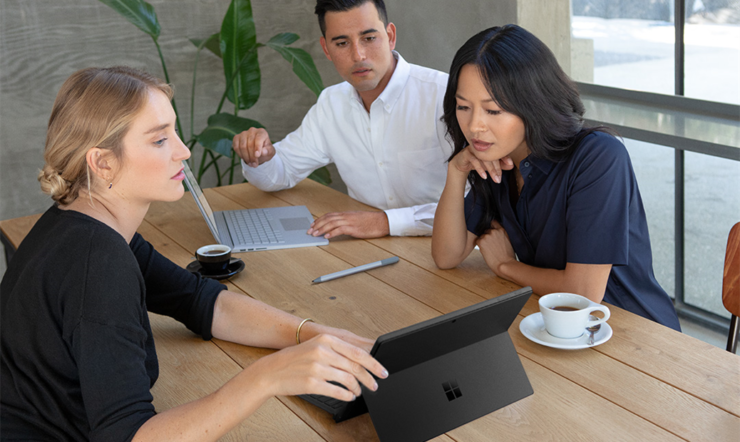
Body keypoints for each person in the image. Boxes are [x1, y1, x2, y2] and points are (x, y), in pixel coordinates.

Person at [0, 66, 388, 441]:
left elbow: (198, 300)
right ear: (103, 162)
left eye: (175, 133)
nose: (183, 151)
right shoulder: (97, 264)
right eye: (159, 139)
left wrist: (309, 333)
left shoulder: (84, 224)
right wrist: (265, 378)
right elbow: (127, 435)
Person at [431, 25, 681, 331]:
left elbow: (583, 294)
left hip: (632, 334)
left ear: (532, 103)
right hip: (554, 328)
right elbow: (446, 255)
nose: (474, 126)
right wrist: (456, 173)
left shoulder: (598, 157)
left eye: (493, 110)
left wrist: (506, 266)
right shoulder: (493, 159)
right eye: (463, 107)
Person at [232, 0, 509, 239]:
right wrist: (262, 156)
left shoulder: (446, 98)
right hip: (367, 249)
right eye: (342, 43)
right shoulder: (332, 104)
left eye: (369, 38)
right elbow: (281, 173)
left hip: (452, 251)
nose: (358, 55)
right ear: (326, 49)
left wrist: (386, 222)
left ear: (390, 36)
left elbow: (478, 201)